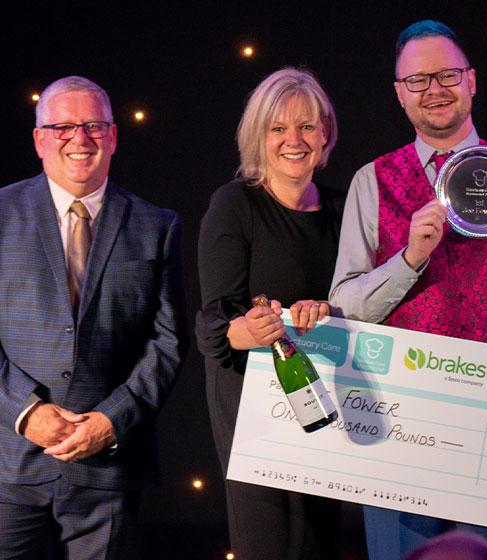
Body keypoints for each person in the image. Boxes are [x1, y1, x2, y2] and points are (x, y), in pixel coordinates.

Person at [328, 20, 487, 560]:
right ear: (399, 94)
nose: (433, 89)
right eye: (417, 81)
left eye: (446, 75)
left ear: (471, 81)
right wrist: (410, 258)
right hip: (399, 419)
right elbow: (344, 304)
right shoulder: (371, 181)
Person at [0, 75, 188, 558]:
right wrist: (25, 412)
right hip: (2, 460)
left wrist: (111, 421)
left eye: (94, 125)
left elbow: (169, 341)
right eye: (62, 127)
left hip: (108, 463)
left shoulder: (157, 225)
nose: (80, 138)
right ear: (39, 140)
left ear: (113, 136)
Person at [195, 67, 345, 559]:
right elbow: (215, 320)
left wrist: (329, 309)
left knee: (321, 539)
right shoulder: (234, 204)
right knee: (269, 543)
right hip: (252, 402)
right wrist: (248, 329)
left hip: (333, 397)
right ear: (257, 136)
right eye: (277, 128)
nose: (293, 140)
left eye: (306, 126)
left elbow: (366, 301)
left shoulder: (345, 209)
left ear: (325, 132)